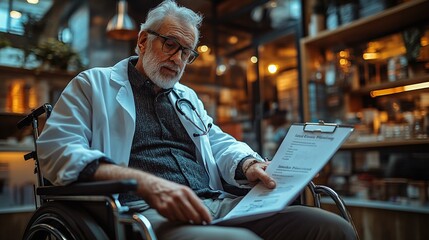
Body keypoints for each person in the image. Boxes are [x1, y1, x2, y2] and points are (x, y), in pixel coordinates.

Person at [37, 1, 356, 239]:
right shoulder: (93, 85)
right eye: (170, 44)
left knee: (330, 228)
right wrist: (146, 183)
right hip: (144, 213)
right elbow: (57, 150)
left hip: (212, 203)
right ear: (143, 41)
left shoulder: (185, 97)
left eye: (186, 52)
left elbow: (217, 142)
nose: (177, 59)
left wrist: (248, 165)